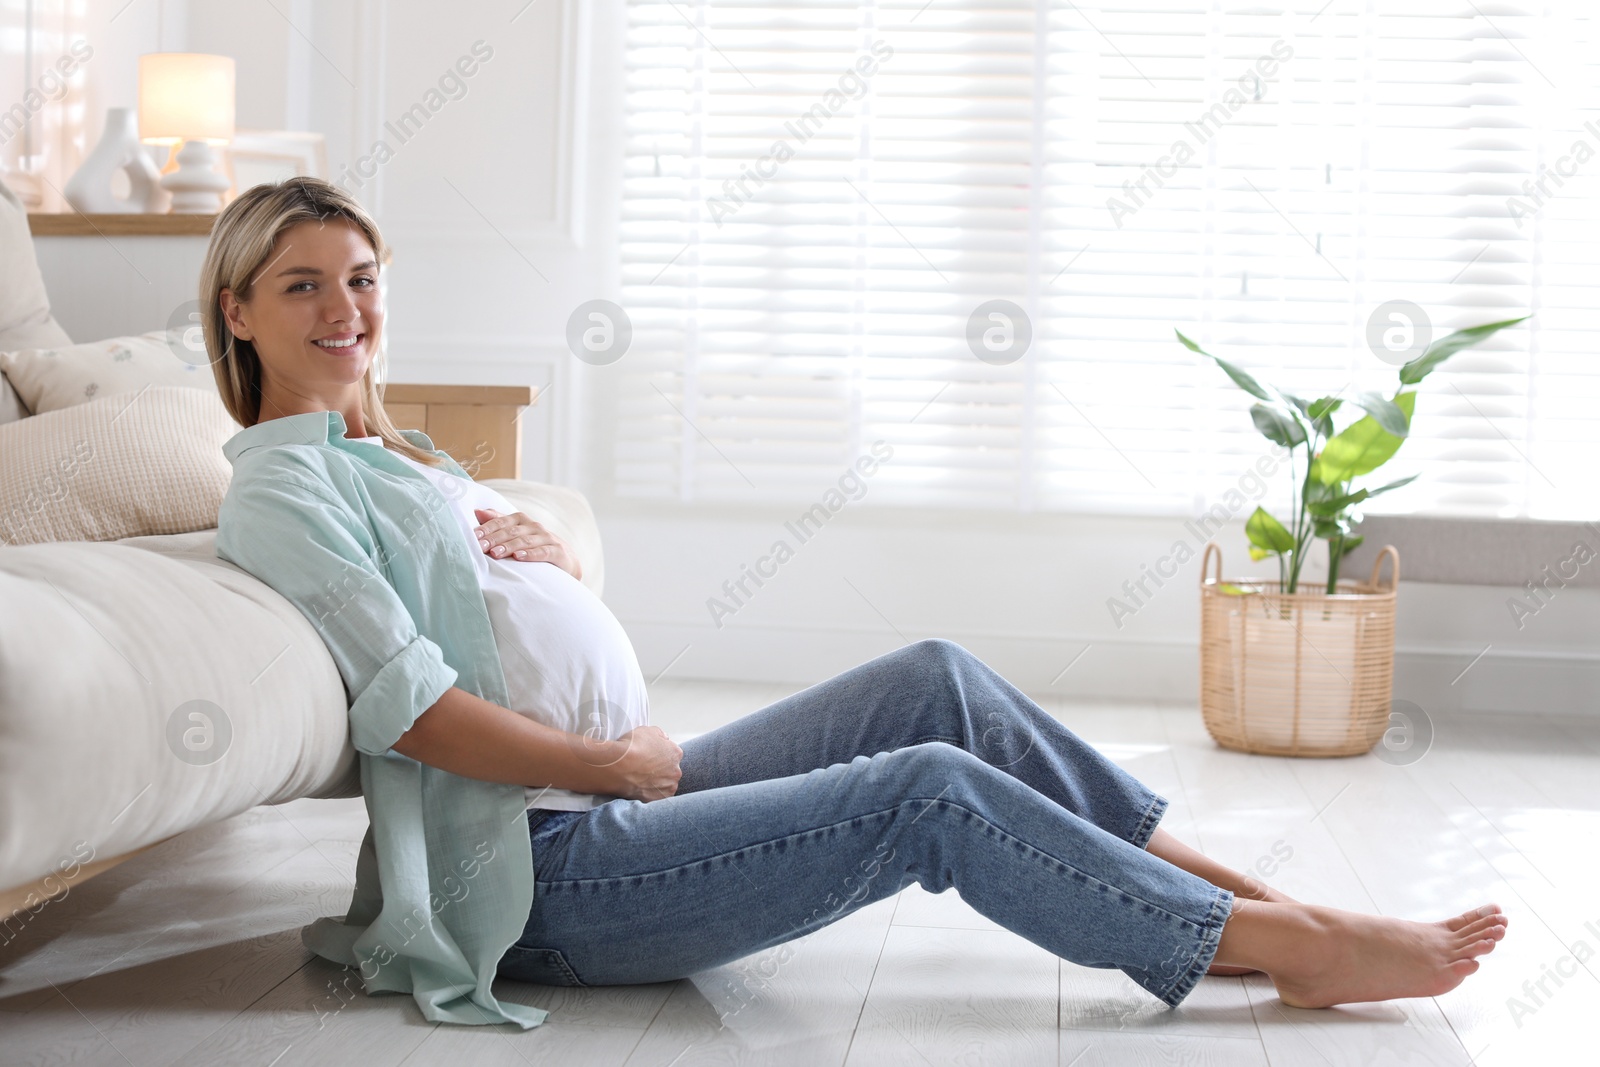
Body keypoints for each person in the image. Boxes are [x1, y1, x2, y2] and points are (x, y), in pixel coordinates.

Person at [207, 178, 1507, 1030]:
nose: (347, 308)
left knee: (935, 677)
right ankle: (1274, 944)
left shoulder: (400, 456)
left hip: (613, 798)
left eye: (363, 276)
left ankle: (1284, 922)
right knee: (927, 790)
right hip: (543, 875)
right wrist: (612, 758)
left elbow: (496, 626)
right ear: (239, 311)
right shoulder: (280, 487)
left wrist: (534, 556)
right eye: (306, 285)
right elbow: (421, 715)